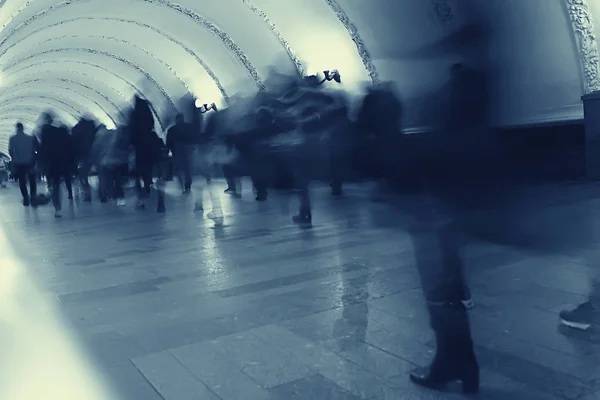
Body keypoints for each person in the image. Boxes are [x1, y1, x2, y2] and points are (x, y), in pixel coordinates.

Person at [39, 113, 73, 217]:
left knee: (54, 185)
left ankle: (57, 208)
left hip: (50, 163)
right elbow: (68, 144)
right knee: (58, 184)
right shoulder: (60, 131)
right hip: (62, 161)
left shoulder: (44, 132)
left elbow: (43, 149)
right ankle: (59, 205)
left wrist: (41, 164)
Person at [8, 122, 38, 206]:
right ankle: (33, 196)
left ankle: (25, 197)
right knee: (32, 180)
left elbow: (10, 151)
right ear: (23, 128)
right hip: (30, 162)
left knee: (22, 181)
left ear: (16, 128)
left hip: (19, 163)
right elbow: (34, 150)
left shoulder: (13, 138)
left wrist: (14, 158)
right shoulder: (30, 138)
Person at [166, 113, 196, 194]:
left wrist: (168, 150)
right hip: (187, 150)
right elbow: (193, 138)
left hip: (177, 150)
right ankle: (188, 185)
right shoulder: (189, 127)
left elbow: (169, 142)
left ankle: (182, 184)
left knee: (178, 169)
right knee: (187, 169)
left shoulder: (172, 129)